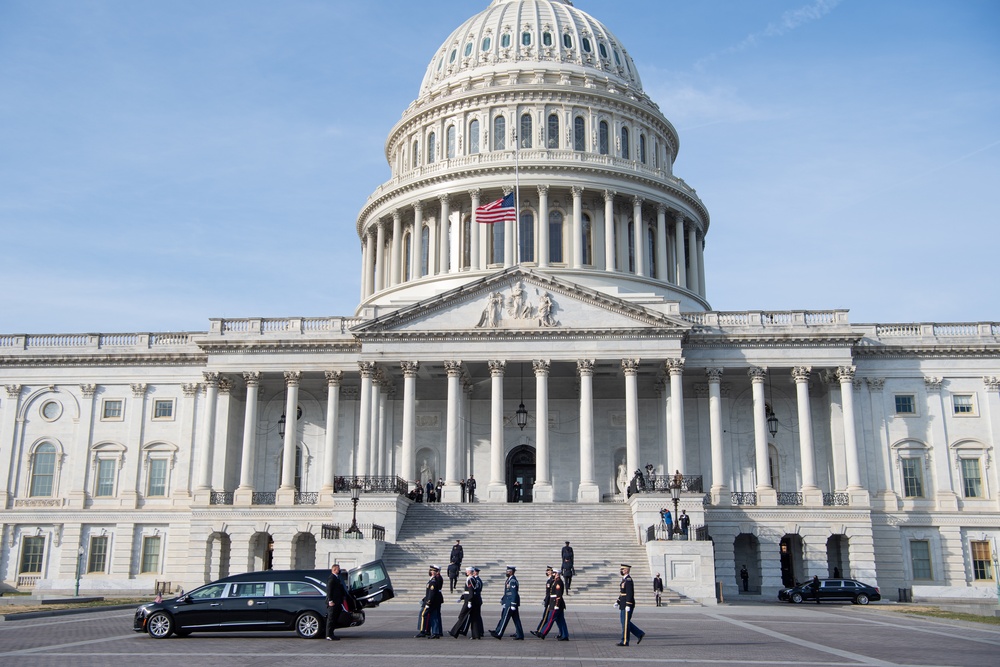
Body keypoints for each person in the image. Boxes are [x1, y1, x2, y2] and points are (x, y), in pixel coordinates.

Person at [490, 565, 524, 640]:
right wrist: (503, 600)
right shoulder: (509, 579)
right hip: (508, 600)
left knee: (505, 618)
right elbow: (507, 592)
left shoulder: (512, 581)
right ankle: (520, 634)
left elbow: (514, 593)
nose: (506, 572)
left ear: (511, 572)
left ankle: (499, 633)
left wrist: (513, 603)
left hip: (511, 601)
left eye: (508, 571)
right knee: (516, 619)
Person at [615, 563, 644, 647]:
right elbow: (622, 593)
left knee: (625, 623)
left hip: (627, 604)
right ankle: (639, 634)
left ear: (627, 570)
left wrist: (628, 604)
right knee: (624, 622)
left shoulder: (628, 580)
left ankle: (624, 641)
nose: (621, 570)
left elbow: (630, 593)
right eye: (621, 569)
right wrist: (618, 601)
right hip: (623, 603)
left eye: (623, 569)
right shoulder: (624, 579)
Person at [415, 564, 444, 638]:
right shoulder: (433, 579)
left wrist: (428, 602)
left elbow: (432, 592)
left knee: (423, 614)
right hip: (432, 600)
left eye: (432, 570)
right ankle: (435, 632)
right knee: (434, 616)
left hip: (431, 601)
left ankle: (423, 631)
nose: (430, 571)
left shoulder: (434, 580)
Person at [450, 566, 476, 638]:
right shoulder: (470, 579)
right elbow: (467, 591)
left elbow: (470, 591)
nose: (466, 572)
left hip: (468, 600)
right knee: (466, 616)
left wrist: (470, 601)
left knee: (462, 616)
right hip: (467, 598)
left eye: (467, 571)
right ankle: (457, 631)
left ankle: (455, 632)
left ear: (470, 572)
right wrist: (461, 598)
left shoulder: (470, 579)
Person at [531, 565, 555, 638]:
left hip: (550, 601)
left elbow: (549, 593)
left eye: (548, 570)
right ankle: (539, 630)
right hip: (548, 600)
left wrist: (546, 601)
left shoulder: (551, 580)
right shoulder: (549, 580)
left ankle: (539, 631)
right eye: (547, 570)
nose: (547, 572)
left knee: (545, 617)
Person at [325, 564, 345, 641]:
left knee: (334, 618)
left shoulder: (337, 578)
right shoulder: (332, 578)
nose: (339, 570)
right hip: (332, 602)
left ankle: (332, 634)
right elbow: (329, 590)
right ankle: (328, 635)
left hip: (337, 602)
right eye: (338, 569)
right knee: (331, 618)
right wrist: (330, 601)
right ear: (334, 570)